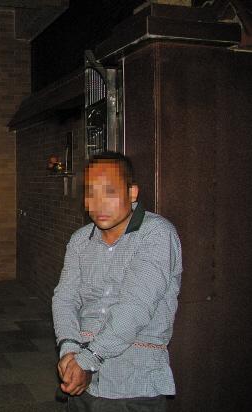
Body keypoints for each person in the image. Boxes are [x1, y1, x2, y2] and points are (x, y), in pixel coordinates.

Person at [52, 151, 182, 412]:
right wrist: (69, 349)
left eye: (109, 192)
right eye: (91, 193)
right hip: (81, 380)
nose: (99, 204)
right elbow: (65, 298)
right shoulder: (80, 240)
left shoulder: (156, 234)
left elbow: (135, 307)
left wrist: (87, 360)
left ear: (132, 193)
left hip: (132, 384)